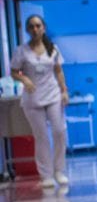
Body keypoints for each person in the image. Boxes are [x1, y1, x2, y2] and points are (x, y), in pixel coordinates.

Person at [10, 14, 70, 188]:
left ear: (44, 28)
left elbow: (58, 71)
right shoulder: (21, 51)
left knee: (59, 132)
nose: (35, 29)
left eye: (38, 26)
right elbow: (14, 72)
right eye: (31, 26)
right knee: (41, 136)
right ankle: (46, 175)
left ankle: (59, 171)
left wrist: (64, 90)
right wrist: (24, 79)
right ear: (27, 30)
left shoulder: (53, 48)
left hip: (53, 95)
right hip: (33, 98)